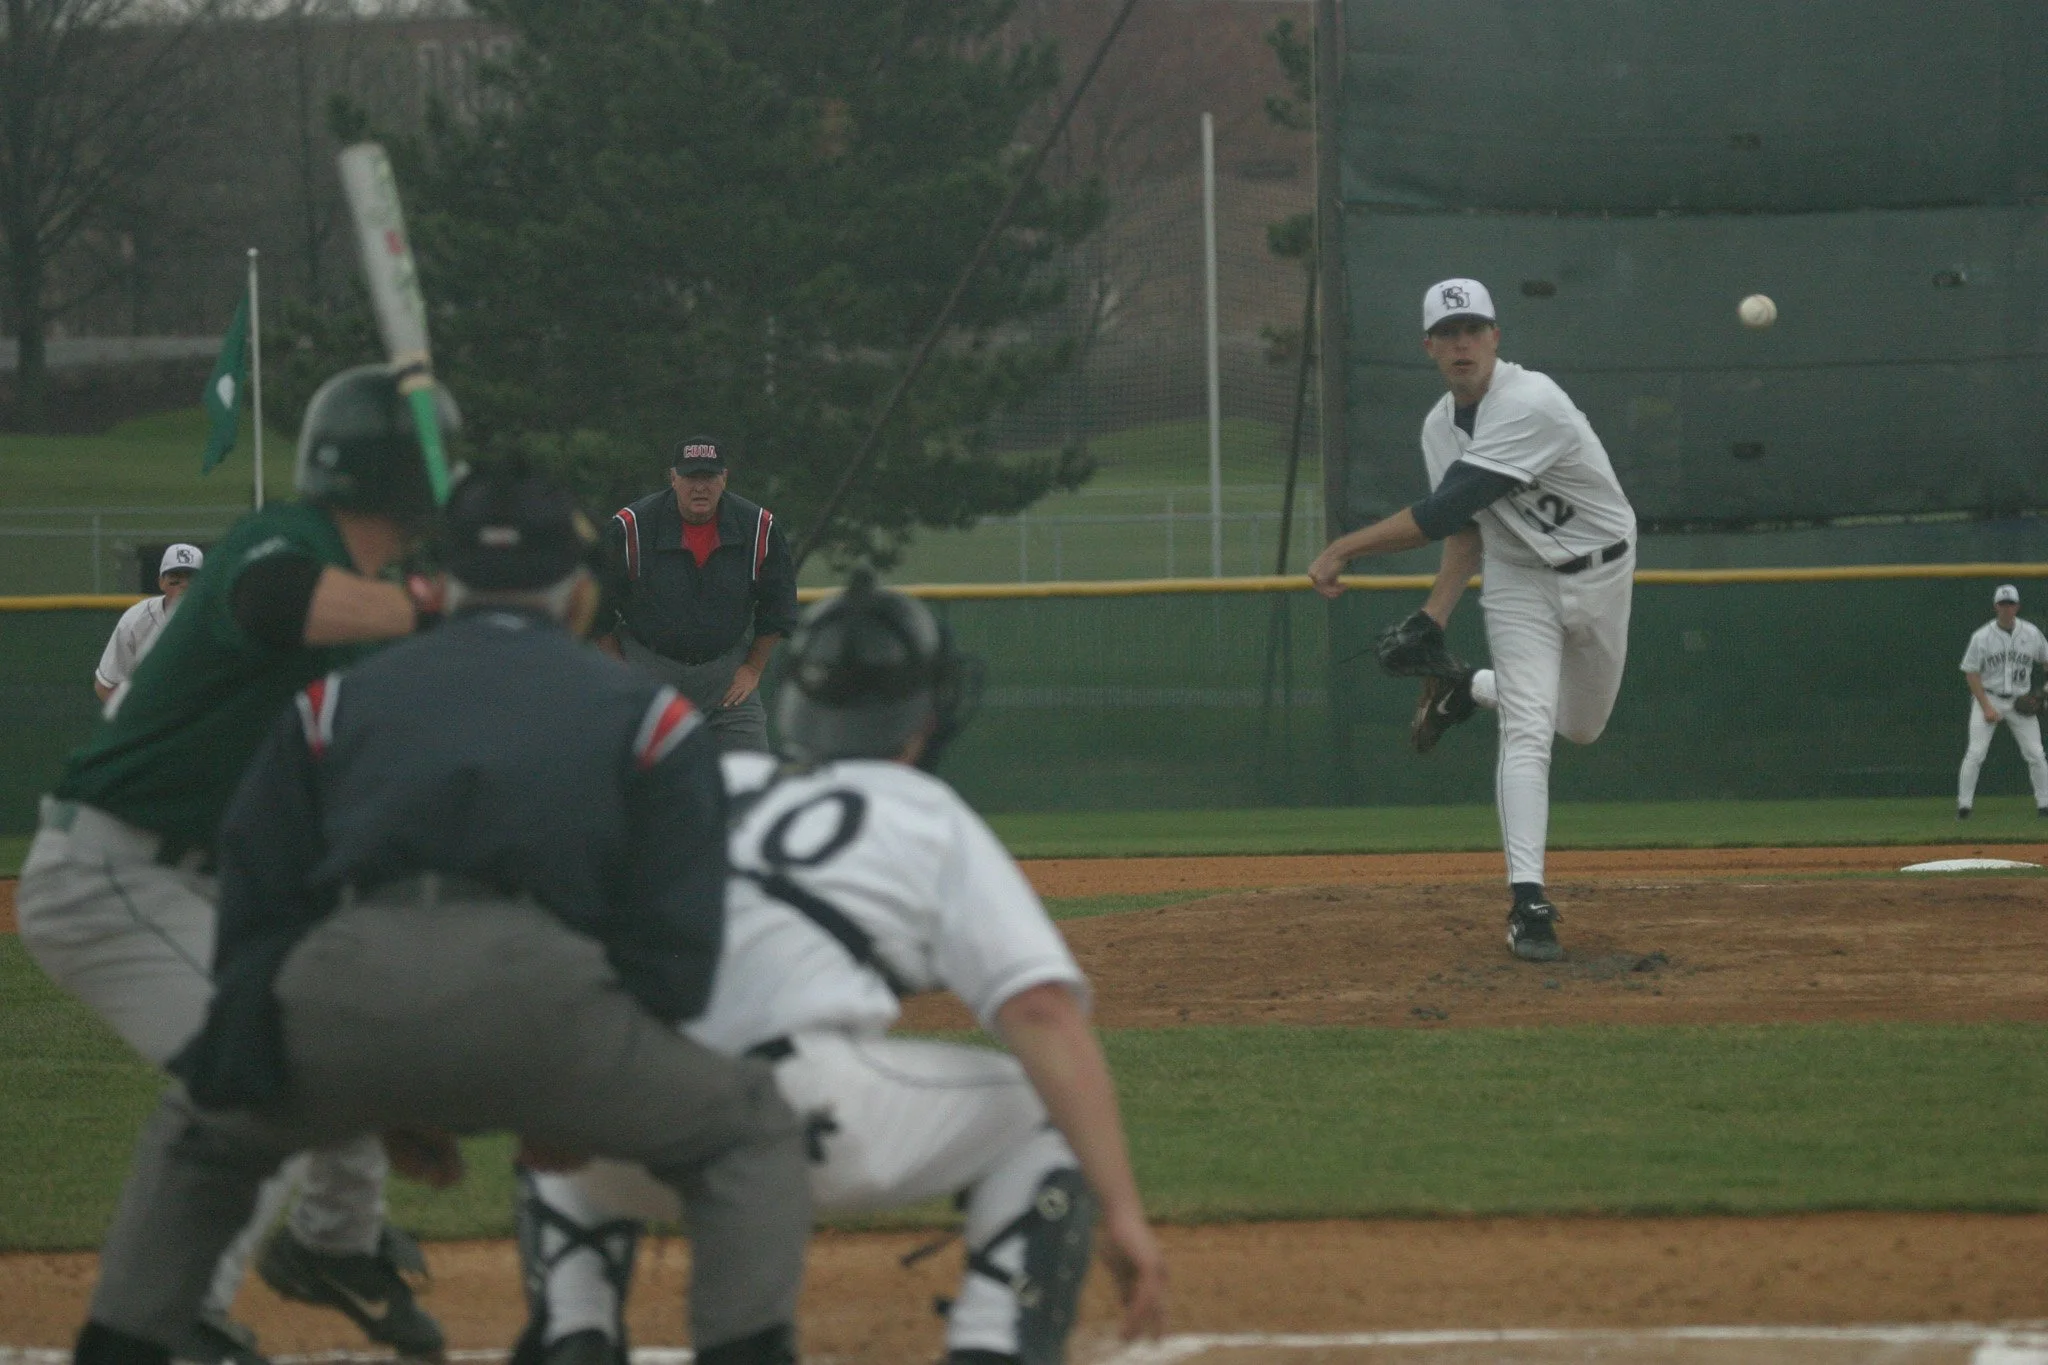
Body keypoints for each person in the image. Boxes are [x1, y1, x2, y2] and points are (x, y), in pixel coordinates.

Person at [69, 464, 812, 1365]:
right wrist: (585, 1091)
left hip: (345, 995)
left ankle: (122, 1343)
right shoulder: (649, 716)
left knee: (203, 1131)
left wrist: (322, 1068)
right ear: (580, 595)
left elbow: (258, 891)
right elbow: (679, 936)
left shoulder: (333, 697)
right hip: (554, 1007)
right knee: (755, 1132)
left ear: (438, 585)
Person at [510, 574, 1168, 1365]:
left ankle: (574, 1326)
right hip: (795, 1126)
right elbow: (1041, 1014)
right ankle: (994, 1348)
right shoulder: (923, 809)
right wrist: (1123, 1210)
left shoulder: (698, 780)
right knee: (1043, 1117)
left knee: (574, 1077)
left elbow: (554, 950)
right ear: (927, 712)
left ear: (799, 701)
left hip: (612, 1143)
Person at [17, 367, 456, 1365]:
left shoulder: (381, 605)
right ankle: (177, 1318)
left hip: (214, 879)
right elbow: (272, 602)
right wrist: (442, 602)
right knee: (252, 1074)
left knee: (325, 1032)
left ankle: (329, 1241)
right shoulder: (286, 541)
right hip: (111, 874)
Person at [1308, 278, 1637, 963]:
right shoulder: (1438, 427)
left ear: (1496, 337)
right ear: (1429, 347)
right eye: (1449, 333)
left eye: (1474, 329)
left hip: (1600, 567)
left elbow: (1438, 514)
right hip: (1519, 579)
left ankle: (1467, 686)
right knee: (1527, 734)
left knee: (1581, 725)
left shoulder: (1532, 402)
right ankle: (1529, 902)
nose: (1463, 343)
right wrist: (1435, 613)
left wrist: (1343, 548)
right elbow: (1466, 529)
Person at [598, 436, 797, 753]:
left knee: (751, 780)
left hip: (726, 679)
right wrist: (619, 672)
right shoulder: (630, 528)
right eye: (691, 477)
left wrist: (754, 668)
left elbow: (779, 607)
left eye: (709, 477)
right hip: (649, 675)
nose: (700, 487)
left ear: (724, 478)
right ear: (673, 478)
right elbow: (596, 611)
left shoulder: (758, 527)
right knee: (637, 786)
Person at [1956, 583, 2048, 819]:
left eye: (2011, 604)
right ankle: (1964, 808)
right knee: (1975, 753)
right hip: (1989, 697)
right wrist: (1986, 706)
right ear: (1996, 606)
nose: (2007, 608)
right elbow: (1971, 673)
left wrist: (2043, 692)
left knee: (2036, 754)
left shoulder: (2031, 633)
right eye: (2003, 604)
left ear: (2017, 606)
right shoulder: (1982, 637)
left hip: (2021, 702)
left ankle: (2044, 805)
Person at [95, 543, 204, 702]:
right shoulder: (135, 621)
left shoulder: (219, 621)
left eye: (191, 578)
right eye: (175, 578)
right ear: (161, 583)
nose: (184, 586)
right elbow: (105, 686)